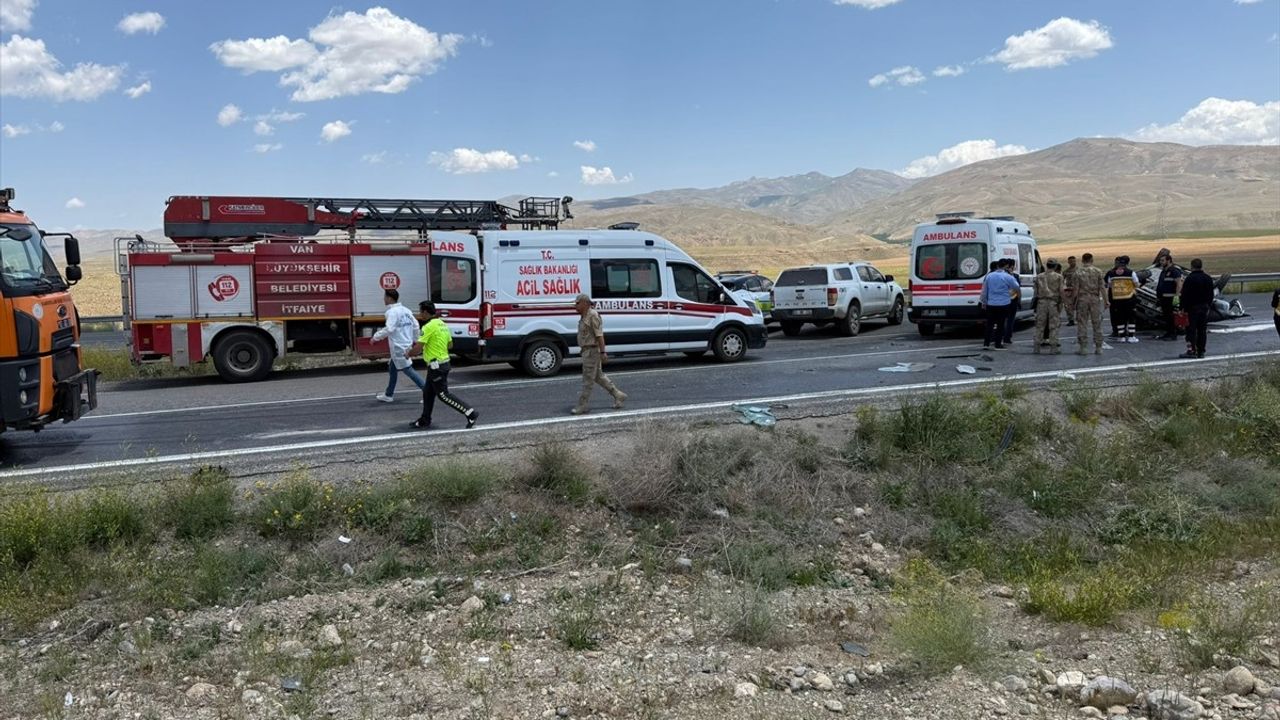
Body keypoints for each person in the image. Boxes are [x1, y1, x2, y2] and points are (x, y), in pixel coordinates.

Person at [407, 301, 478, 429]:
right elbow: (450, 344)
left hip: (437, 366)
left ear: (426, 312)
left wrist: (408, 354)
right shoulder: (443, 324)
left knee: (443, 395)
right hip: (441, 363)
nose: (420, 314)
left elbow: (417, 349)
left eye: (421, 311)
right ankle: (425, 419)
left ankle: (470, 412)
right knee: (428, 393)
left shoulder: (427, 327)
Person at [572, 293, 627, 414]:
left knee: (588, 380)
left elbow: (599, 335)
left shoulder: (592, 315)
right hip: (587, 351)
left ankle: (582, 405)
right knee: (598, 377)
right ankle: (618, 395)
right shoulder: (584, 316)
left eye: (577, 303)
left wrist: (603, 352)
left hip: (592, 351)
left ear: (585, 303)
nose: (575, 306)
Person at [372, 288, 425, 403]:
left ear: (390, 298)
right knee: (392, 368)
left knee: (408, 370)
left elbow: (389, 329)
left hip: (398, 347)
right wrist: (415, 340)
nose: (383, 299)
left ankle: (428, 392)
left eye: (385, 297)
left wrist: (376, 337)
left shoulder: (391, 312)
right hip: (406, 344)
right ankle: (388, 394)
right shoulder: (406, 310)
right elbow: (415, 325)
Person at [979, 260, 1019, 350]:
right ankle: (998, 344)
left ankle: (986, 343)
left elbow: (984, 291)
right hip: (1003, 303)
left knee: (990, 324)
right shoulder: (1007, 276)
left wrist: (984, 302)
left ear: (997, 266)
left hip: (991, 304)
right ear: (1006, 266)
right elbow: (1016, 286)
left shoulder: (989, 276)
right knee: (1001, 324)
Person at [1179, 259, 1214, 359]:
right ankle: (1201, 351)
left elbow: (1184, 295)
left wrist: (1182, 308)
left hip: (1192, 308)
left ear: (1192, 266)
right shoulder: (1208, 278)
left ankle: (1192, 350)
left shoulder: (1190, 279)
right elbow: (1211, 294)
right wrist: (1208, 306)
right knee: (1202, 330)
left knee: (1191, 330)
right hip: (1204, 307)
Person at [1073, 253, 1108, 355]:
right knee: (1096, 323)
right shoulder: (1098, 271)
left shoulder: (1078, 272)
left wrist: (1073, 302)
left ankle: (1083, 347)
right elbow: (1102, 288)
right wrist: (1106, 301)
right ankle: (1098, 347)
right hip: (1094, 299)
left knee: (1082, 323)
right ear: (1092, 260)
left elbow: (1076, 290)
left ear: (1082, 260)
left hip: (1082, 299)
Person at [1105, 255, 1140, 343]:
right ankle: (1131, 336)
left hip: (1117, 299)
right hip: (1129, 299)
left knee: (1119, 318)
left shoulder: (1111, 273)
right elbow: (1136, 284)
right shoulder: (1131, 272)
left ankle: (1121, 336)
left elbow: (1109, 285)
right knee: (1131, 318)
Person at [1033, 259, 1065, 354]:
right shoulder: (1058, 277)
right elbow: (1061, 291)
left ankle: (1036, 347)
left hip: (1041, 302)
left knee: (1040, 325)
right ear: (1055, 266)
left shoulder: (1039, 277)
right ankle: (1053, 348)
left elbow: (1035, 292)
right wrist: (1064, 302)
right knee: (1053, 325)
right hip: (1053, 303)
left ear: (1047, 266)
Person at [1155, 253, 1184, 341]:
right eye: (1160, 260)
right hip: (1163, 297)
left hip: (1170, 297)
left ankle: (1173, 334)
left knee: (1170, 316)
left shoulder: (1174, 271)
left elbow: (1179, 283)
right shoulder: (1164, 271)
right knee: (1166, 316)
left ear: (1169, 260)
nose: (1161, 262)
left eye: (1163, 260)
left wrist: (1177, 295)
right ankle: (1169, 332)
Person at [1001, 259, 1021, 345]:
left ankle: (1000, 336)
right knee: (1010, 320)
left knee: (1002, 319)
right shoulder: (1015, 276)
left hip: (1003, 300)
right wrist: (1019, 300)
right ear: (1012, 266)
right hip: (1013, 300)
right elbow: (1018, 288)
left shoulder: (1001, 276)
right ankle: (1007, 337)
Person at [1061, 256, 1079, 327]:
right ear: (1068, 262)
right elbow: (1061, 281)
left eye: (1073, 261)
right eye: (1071, 261)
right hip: (1069, 290)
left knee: (1079, 305)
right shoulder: (1066, 271)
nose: (1072, 263)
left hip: (1078, 290)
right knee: (1068, 306)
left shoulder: (1079, 270)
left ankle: (1079, 319)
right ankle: (1071, 320)